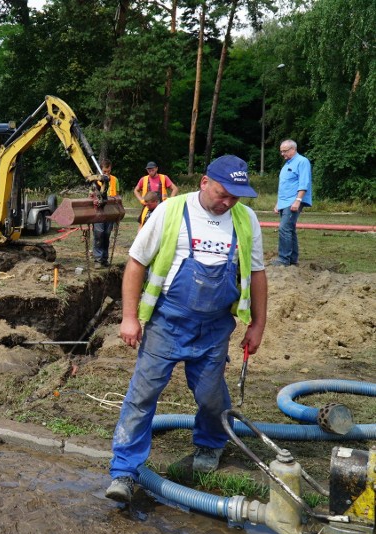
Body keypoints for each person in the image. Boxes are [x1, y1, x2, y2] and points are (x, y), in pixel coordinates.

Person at [105, 154, 267, 504]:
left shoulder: (245, 219)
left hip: (214, 328)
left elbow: (256, 274)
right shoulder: (170, 211)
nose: (228, 202)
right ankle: (124, 472)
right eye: (223, 194)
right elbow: (136, 263)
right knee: (143, 394)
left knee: (211, 395)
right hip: (167, 322)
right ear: (205, 183)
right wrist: (130, 317)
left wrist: (258, 323)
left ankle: (210, 444)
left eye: (235, 197)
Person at [273, 139, 312, 266]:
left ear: (293, 149)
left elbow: (304, 182)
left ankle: (283, 259)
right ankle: (293, 259)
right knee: (290, 229)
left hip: (293, 201)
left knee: (284, 228)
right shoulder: (287, 164)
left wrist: (298, 200)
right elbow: (285, 185)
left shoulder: (302, 161)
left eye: (284, 151)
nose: (282, 154)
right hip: (284, 201)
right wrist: (278, 203)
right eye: (281, 151)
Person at [92, 159, 120, 267]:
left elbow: (117, 195)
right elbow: (92, 195)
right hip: (99, 211)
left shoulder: (115, 180)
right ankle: (98, 259)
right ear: (101, 170)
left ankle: (104, 258)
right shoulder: (95, 180)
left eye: (108, 171)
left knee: (107, 235)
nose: (106, 174)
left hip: (110, 211)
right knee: (99, 234)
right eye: (104, 172)